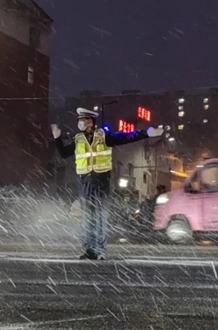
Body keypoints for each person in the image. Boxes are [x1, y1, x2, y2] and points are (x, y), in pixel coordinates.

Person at [51, 107, 163, 260]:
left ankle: (100, 250)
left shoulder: (103, 136)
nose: (80, 123)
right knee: (87, 218)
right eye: (79, 120)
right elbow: (64, 154)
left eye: (83, 120)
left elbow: (126, 137)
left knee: (101, 217)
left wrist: (146, 133)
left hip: (102, 180)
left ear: (90, 121)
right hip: (85, 182)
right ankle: (89, 250)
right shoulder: (78, 139)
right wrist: (57, 139)